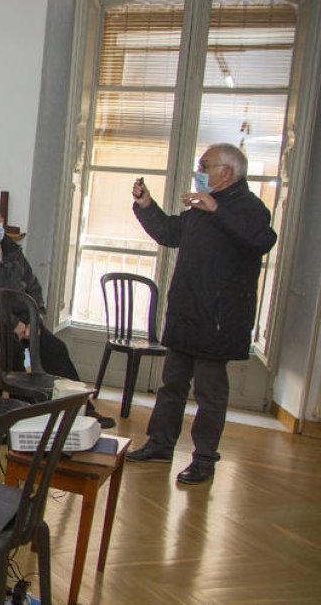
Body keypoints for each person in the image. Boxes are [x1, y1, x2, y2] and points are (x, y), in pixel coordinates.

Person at [126, 143, 277, 485]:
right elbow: (170, 233)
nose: (199, 170)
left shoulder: (249, 207)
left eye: (205, 165)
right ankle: (160, 443)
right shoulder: (200, 207)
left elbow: (260, 241)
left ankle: (204, 458)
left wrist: (216, 210)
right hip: (186, 312)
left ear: (226, 172)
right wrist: (146, 204)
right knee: (171, 385)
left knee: (210, 394)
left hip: (218, 319)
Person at [0, 205, 115, 428]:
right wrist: (13, 323)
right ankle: (21, 411)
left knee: (55, 348)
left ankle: (81, 408)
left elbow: (33, 287)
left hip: (24, 320)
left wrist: (34, 319)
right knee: (13, 347)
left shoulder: (13, 253)